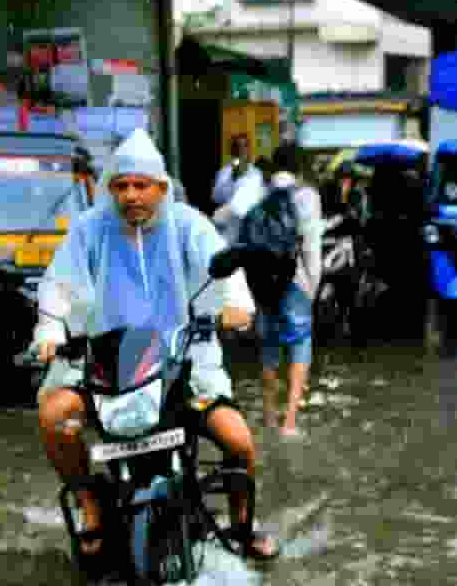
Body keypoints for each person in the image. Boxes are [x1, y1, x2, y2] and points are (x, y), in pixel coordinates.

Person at [33, 129, 280, 561]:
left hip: (182, 360)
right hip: (107, 362)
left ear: (160, 188)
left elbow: (224, 273)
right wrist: (50, 333)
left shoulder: (190, 225)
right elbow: (58, 287)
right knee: (55, 416)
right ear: (110, 188)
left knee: (239, 441)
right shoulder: (89, 231)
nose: (132, 195)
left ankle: (242, 526)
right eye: (122, 186)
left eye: (141, 185)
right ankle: (90, 503)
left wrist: (236, 307)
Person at [241, 162, 324, 434]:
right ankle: (289, 422)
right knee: (300, 345)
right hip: (295, 281)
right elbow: (311, 246)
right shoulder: (306, 199)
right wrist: (312, 287)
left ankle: (268, 416)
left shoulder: (256, 198)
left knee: (269, 347)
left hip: (264, 284)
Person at [211, 134, 263, 236]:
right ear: (233, 151)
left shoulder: (256, 173)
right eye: (238, 146)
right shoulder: (224, 172)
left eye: (245, 146)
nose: (241, 150)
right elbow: (216, 196)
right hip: (229, 224)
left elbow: (258, 199)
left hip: (250, 224)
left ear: (249, 150)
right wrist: (233, 180)